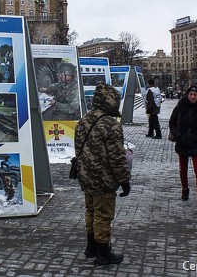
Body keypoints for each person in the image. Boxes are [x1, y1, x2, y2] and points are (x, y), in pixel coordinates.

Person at [75, 82, 130, 266]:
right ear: (111, 101)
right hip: (104, 180)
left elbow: (78, 150)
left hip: (86, 177)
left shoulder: (83, 121)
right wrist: (124, 180)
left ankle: (91, 247)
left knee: (90, 210)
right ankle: (103, 253)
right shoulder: (111, 125)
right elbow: (117, 157)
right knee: (103, 215)